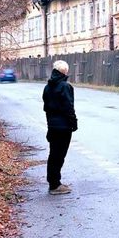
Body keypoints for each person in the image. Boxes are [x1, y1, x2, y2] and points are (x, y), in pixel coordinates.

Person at [42, 60, 78, 195]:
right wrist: (74, 123)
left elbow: (46, 108)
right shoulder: (65, 87)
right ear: (65, 72)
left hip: (52, 126)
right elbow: (69, 107)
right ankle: (55, 185)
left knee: (53, 155)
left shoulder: (47, 87)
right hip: (63, 127)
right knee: (59, 156)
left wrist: (49, 126)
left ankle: (53, 182)